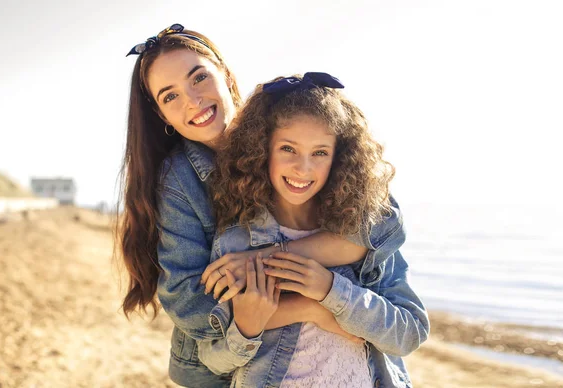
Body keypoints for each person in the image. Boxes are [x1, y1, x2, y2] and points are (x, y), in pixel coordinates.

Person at [118, 24, 407, 388]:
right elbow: (191, 304)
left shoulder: (285, 129)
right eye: (170, 97)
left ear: (226, 74)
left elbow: (381, 229)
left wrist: (262, 260)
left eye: (199, 78)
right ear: (162, 115)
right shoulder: (179, 179)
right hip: (221, 370)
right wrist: (308, 307)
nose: (192, 100)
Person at [197, 73, 429, 388]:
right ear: (262, 149)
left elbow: (410, 333)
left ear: (340, 157)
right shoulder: (237, 243)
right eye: (288, 149)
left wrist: (330, 290)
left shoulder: (360, 233)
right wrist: (248, 330)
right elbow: (211, 358)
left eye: (319, 152)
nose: (303, 168)